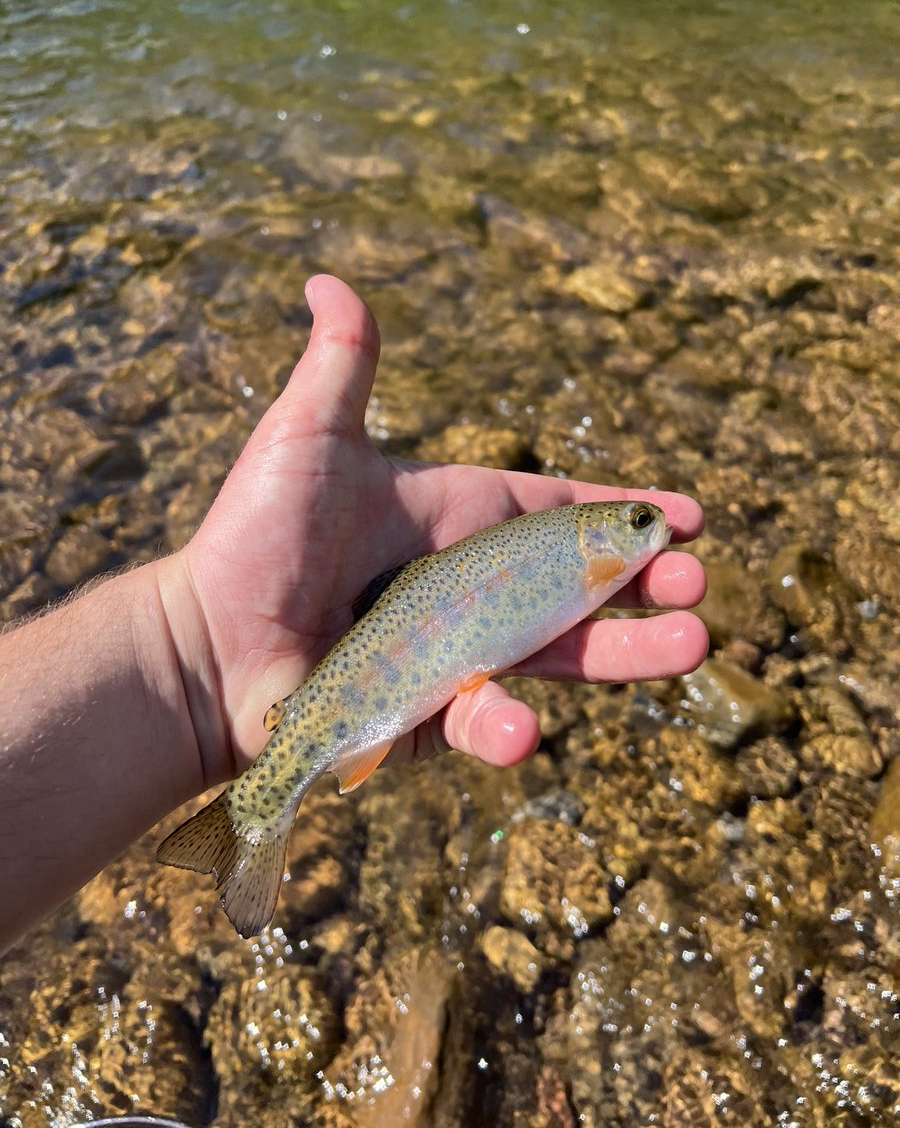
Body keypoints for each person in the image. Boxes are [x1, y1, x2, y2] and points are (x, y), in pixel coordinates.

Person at [0, 276, 708, 954]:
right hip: (354, 685)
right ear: (602, 535)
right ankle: (255, 809)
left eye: (645, 519)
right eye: (641, 520)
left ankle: (255, 806)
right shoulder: (579, 544)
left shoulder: (577, 548)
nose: (654, 527)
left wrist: (187, 655)